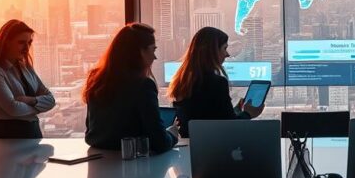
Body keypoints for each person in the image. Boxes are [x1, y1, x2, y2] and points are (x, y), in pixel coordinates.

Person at [83, 23, 179, 153]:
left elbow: (91, 130)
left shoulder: (96, 80)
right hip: (132, 158)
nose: (154, 56)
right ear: (140, 52)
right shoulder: (144, 85)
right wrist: (172, 135)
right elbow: (160, 142)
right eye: (153, 50)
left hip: (97, 156)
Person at [169, 27, 263, 138]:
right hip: (213, 145)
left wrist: (237, 109)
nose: (227, 54)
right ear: (213, 51)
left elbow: (212, 117)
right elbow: (229, 126)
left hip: (190, 144)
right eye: (224, 48)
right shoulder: (217, 83)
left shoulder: (182, 81)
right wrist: (248, 114)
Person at [0, 19, 56, 138]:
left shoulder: (26, 68)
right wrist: (39, 107)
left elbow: (51, 100)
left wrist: (30, 100)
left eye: (29, 42)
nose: (27, 48)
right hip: (4, 134)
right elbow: (13, 108)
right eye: (21, 42)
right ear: (6, 42)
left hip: (31, 131)